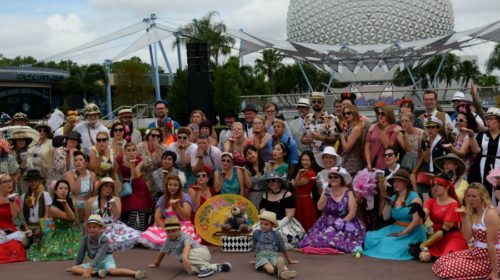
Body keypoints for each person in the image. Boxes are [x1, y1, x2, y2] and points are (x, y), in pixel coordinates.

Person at [432, 183, 500, 280]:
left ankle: (491, 270)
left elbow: (491, 244)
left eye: (474, 196)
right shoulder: (474, 212)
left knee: (446, 268)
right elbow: (466, 237)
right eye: (468, 196)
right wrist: (465, 216)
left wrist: (495, 272)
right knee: (441, 261)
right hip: (476, 253)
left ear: (482, 197)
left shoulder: (490, 214)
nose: (470, 199)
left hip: (489, 257)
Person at [363, 169, 426, 260]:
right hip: (396, 227)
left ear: (406, 183)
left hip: (412, 231)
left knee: (386, 241)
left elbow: (416, 221)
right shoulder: (394, 197)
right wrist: (388, 204)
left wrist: (402, 233)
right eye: (394, 181)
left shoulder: (414, 198)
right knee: (370, 236)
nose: (395, 184)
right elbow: (386, 217)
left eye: (398, 181)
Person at [298, 167, 365, 253]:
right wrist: (325, 194)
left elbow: (352, 212)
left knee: (336, 241)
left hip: (345, 221)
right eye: (331, 177)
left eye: (335, 177)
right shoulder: (327, 190)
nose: (333, 179)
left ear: (341, 179)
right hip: (325, 223)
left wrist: (341, 223)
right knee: (313, 240)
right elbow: (319, 207)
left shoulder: (348, 192)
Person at [148, 216, 232, 278]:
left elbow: (187, 247)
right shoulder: (168, 240)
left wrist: (184, 257)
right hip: (191, 258)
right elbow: (163, 251)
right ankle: (216, 267)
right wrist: (157, 263)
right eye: (168, 231)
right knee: (191, 270)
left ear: (179, 229)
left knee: (185, 254)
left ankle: (204, 267)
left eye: (174, 231)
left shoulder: (185, 236)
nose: (171, 233)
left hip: (201, 253)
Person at [67, 214, 147, 279]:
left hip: (106, 259)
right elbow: (81, 252)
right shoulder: (85, 238)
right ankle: (97, 273)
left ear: (101, 228)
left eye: (94, 227)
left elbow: (100, 254)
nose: (91, 229)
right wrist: (76, 265)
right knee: (74, 269)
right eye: (89, 227)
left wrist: (90, 267)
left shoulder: (104, 239)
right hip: (95, 262)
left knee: (112, 271)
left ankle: (135, 273)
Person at [139, 175, 200, 249]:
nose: (172, 187)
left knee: (182, 236)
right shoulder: (162, 198)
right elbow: (157, 218)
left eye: (175, 185)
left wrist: (177, 205)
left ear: (180, 186)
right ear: (167, 186)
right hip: (166, 224)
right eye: (170, 185)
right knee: (155, 233)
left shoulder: (185, 197)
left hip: (181, 224)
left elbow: (186, 216)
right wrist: (166, 228)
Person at [417, 173, 468, 262]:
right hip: (436, 237)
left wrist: (425, 244)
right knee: (414, 251)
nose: (435, 187)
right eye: (433, 185)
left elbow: (443, 231)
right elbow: (424, 215)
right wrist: (418, 209)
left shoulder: (453, 204)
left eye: (439, 185)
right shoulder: (431, 201)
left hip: (451, 237)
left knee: (446, 258)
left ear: (447, 187)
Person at [27, 179, 81, 261]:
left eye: (66, 189)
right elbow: (71, 218)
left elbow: (75, 219)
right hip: (58, 233)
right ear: (55, 191)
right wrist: (65, 204)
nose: (63, 191)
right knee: (56, 251)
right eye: (61, 188)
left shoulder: (72, 202)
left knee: (80, 250)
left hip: (72, 232)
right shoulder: (52, 208)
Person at [84, 177, 140, 251]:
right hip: (96, 228)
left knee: (135, 237)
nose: (108, 189)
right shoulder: (91, 201)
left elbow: (117, 216)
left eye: (111, 187)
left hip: (113, 226)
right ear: (100, 187)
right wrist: (86, 235)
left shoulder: (116, 199)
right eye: (106, 186)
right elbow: (86, 220)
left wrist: (113, 205)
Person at [253, 172, 305, 249]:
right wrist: (267, 224)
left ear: (279, 183)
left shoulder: (287, 194)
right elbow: (262, 212)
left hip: (284, 222)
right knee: (255, 232)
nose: (271, 183)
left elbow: (290, 215)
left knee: (282, 236)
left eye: (273, 180)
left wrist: (278, 225)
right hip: (267, 222)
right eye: (268, 181)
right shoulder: (265, 195)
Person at [116, 143, 153, 231]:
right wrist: (117, 182)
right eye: (129, 150)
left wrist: (132, 164)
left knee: (140, 209)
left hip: (138, 183)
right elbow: (115, 171)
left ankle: (143, 230)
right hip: (126, 185)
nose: (131, 152)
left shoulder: (140, 159)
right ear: (125, 152)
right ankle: (130, 231)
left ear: (136, 151)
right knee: (131, 208)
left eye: (133, 150)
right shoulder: (120, 159)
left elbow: (134, 175)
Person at [252, 210, 298, 280]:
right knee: (269, 268)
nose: (263, 226)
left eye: (266, 224)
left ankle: (285, 271)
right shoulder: (256, 233)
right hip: (261, 256)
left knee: (278, 262)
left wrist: (289, 261)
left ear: (272, 225)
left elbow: (282, 248)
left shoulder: (276, 234)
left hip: (273, 254)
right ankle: (281, 272)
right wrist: (256, 259)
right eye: (261, 223)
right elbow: (255, 245)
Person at [469, 107, 500, 198]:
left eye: (491, 119)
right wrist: (471, 136)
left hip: (498, 167)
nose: (488, 121)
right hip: (482, 166)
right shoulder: (482, 135)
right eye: (486, 119)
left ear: (499, 121)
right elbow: (476, 151)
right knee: (482, 191)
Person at [365, 105, 402, 171]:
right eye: (378, 113)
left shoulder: (395, 128)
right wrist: (368, 163)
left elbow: (388, 146)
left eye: (382, 113)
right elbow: (367, 146)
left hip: (386, 165)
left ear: (389, 114)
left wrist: (382, 130)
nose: (380, 115)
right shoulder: (373, 127)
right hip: (372, 163)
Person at [301, 92, 338, 156]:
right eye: (314, 102)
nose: (316, 104)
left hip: (325, 156)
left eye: (319, 102)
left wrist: (321, 138)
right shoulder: (306, 118)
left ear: (323, 103)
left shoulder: (331, 118)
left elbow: (334, 139)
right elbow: (302, 138)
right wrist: (305, 140)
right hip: (310, 156)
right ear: (311, 104)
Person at [0, 173, 27, 264]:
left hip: (10, 231)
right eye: (5, 182)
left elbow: (15, 217)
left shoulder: (15, 198)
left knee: (16, 249)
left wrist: (11, 201)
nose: (9, 184)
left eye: (10, 181)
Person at [65, 151, 98, 224]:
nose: (78, 162)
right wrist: (79, 176)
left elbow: (94, 194)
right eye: (76, 160)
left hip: (87, 205)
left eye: (80, 160)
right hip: (74, 205)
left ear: (86, 162)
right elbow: (74, 191)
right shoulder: (69, 174)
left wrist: (96, 186)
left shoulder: (92, 175)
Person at [291, 151, 320, 231]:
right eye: (303, 160)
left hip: (305, 201)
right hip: (297, 199)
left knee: (306, 222)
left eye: (307, 160)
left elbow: (296, 184)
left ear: (312, 161)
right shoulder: (302, 172)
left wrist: (295, 179)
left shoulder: (311, 173)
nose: (304, 162)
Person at [20, 169, 52, 244]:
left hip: (42, 226)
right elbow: (22, 216)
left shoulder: (45, 195)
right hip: (28, 227)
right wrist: (27, 229)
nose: (33, 183)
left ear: (39, 181)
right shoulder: (23, 196)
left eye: (35, 180)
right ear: (27, 182)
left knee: (44, 244)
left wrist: (41, 229)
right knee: (22, 244)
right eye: (31, 181)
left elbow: (47, 215)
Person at [136, 128, 168, 200]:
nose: (155, 138)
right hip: (142, 178)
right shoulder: (139, 146)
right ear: (149, 136)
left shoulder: (164, 148)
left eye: (158, 136)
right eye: (153, 135)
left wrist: (158, 150)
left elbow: (163, 165)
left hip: (157, 179)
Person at [338, 104, 364, 175]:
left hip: (353, 164)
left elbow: (346, 148)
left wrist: (341, 134)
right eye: (344, 113)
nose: (346, 115)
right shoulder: (350, 127)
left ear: (354, 113)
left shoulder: (356, 128)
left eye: (349, 113)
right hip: (346, 162)